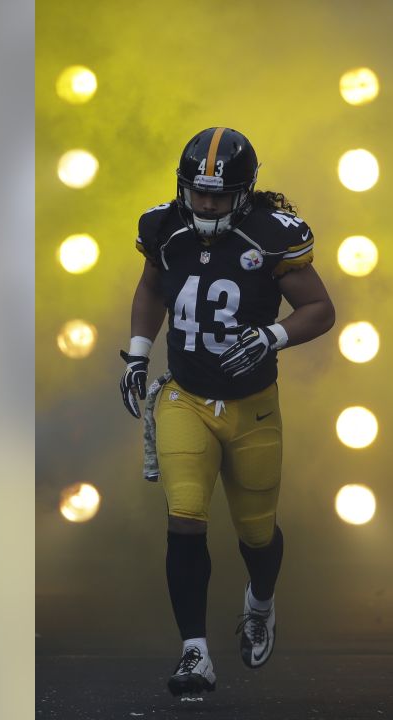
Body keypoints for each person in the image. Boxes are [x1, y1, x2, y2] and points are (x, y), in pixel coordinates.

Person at [118, 127, 335, 697]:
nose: (207, 204)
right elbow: (150, 289)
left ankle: (260, 600)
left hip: (253, 408)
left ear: (244, 191)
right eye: (198, 192)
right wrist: (138, 356)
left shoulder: (272, 234)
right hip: (185, 397)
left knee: (256, 535)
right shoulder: (164, 227)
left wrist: (273, 335)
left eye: (219, 195)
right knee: (185, 517)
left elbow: (319, 308)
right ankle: (195, 653)